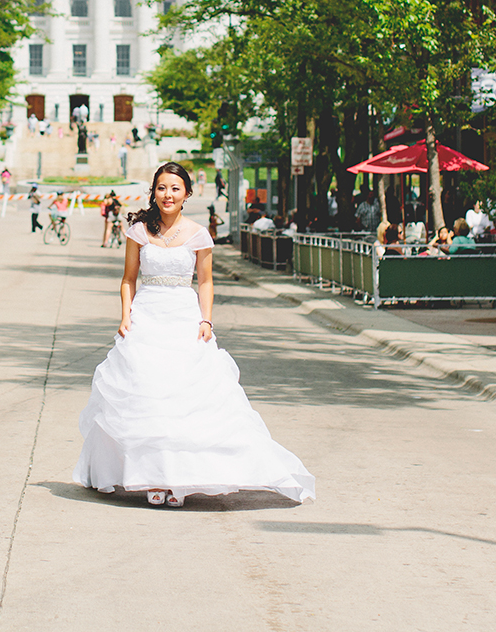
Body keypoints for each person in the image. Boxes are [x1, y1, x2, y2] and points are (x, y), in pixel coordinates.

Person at [73, 162, 315, 507]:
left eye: (175, 188)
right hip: (147, 318)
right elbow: (128, 279)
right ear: (153, 192)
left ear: (186, 193)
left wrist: (206, 320)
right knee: (147, 396)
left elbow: (205, 282)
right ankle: (152, 477)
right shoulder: (139, 232)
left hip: (184, 318)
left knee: (183, 399)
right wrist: (126, 316)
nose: (168, 195)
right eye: (161, 188)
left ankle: (179, 480)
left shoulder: (199, 234)